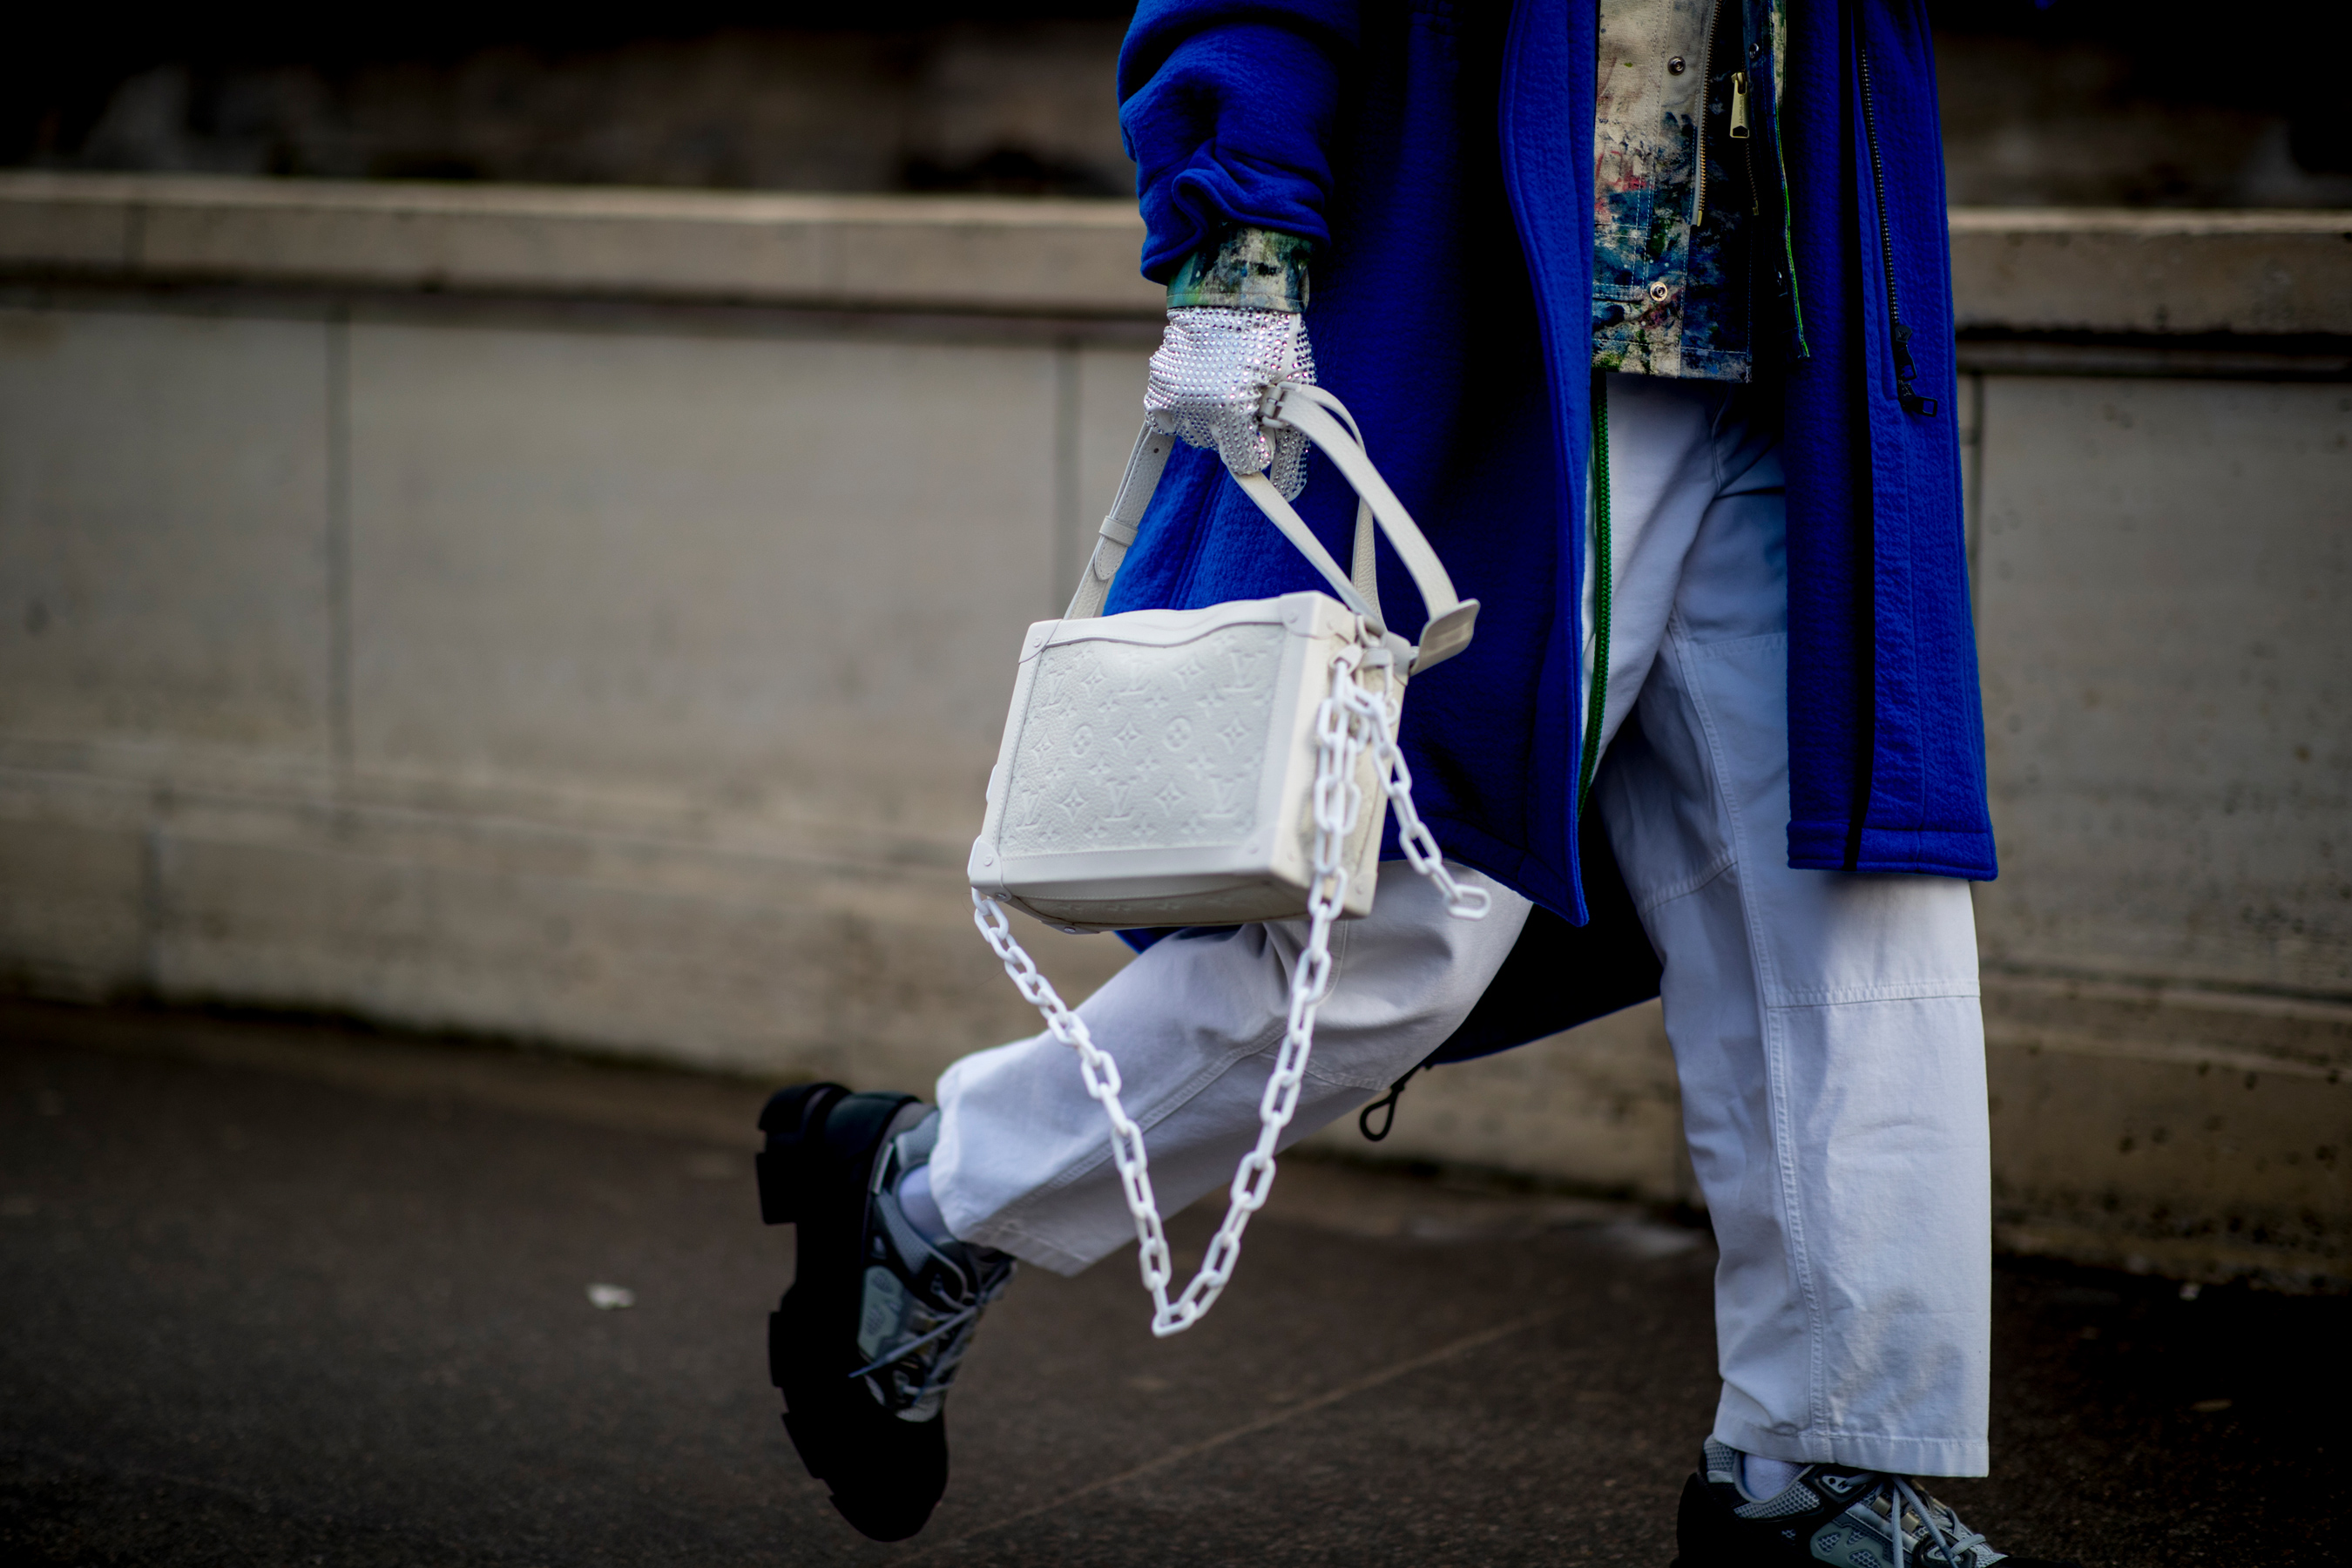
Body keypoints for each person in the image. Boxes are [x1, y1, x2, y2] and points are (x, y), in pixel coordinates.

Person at [757, 2, 2078, 1563]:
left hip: (1811, 337)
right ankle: (929, 1194)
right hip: (1518, 337)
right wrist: (1233, 232)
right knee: (1393, 933)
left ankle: (1819, 1470)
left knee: (1856, 912)